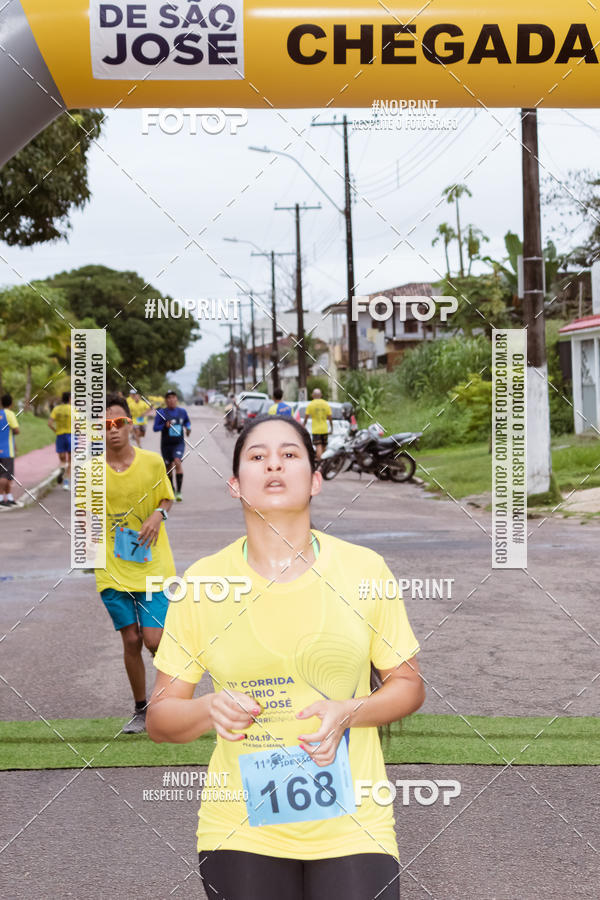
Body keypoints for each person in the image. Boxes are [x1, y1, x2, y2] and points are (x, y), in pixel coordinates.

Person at [148, 414, 424, 900]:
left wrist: (349, 711)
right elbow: (161, 718)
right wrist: (209, 709)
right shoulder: (203, 584)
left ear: (315, 480)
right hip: (240, 826)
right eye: (257, 456)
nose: (273, 464)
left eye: (289, 454)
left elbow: (408, 685)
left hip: (355, 823)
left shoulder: (364, 570)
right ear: (235, 485)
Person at [96, 393, 175, 734]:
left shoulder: (152, 463)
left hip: (153, 562)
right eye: (105, 425)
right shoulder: (90, 471)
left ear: (130, 424)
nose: (112, 429)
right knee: (131, 639)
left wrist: (158, 515)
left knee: (154, 640)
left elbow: (166, 498)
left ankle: (172, 697)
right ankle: (142, 708)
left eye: (118, 422)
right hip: (111, 566)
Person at [153, 390, 191, 501]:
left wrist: (188, 428)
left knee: (177, 461)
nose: (171, 400)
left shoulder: (182, 412)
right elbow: (155, 428)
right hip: (166, 444)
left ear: (176, 399)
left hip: (178, 443)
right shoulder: (161, 412)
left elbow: (187, 422)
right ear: (166, 400)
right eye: (169, 398)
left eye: (173, 397)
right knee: (168, 467)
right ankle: (172, 489)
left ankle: (179, 492)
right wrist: (164, 426)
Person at [48, 391, 72, 490]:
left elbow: (49, 423)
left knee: (62, 459)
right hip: (71, 435)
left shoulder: (56, 409)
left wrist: (56, 431)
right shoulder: (73, 409)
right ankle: (66, 483)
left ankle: (62, 467)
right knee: (70, 461)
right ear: (69, 399)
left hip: (60, 436)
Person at [302, 388, 332, 461]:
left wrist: (303, 425)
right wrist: (332, 427)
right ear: (321, 395)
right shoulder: (326, 404)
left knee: (318, 446)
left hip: (316, 430)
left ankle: (320, 462)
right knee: (324, 446)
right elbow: (330, 417)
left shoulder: (311, 404)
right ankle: (323, 462)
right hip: (324, 429)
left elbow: (306, 417)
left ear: (313, 395)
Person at [0, 393, 20, 507]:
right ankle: (1, 498)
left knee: (8, 475)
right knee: (4, 475)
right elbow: (16, 430)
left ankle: (9, 497)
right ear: (11, 403)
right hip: (7, 450)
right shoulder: (10, 414)